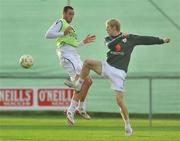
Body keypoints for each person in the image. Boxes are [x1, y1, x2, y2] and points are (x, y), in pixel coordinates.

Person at [66, 18, 170, 136]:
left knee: (120, 101)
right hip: (107, 67)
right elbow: (110, 46)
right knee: (87, 62)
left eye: (108, 27)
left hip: (119, 73)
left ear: (114, 27)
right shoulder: (108, 38)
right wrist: (121, 37)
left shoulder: (130, 38)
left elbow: (145, 39)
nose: (106, 29)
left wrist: (161, 40)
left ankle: (127, 125)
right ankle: (78, 85)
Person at [45, 6, 96, 125]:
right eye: (69, 13)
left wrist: (84, 42)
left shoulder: (71, 28)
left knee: (88, 81)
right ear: (63, 13)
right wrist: (62, 32)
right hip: (66, 55)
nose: (71, 16)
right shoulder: (61, 22)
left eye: (73, 14)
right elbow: (47, 34)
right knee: (79, 82)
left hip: (74, 55)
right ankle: (72, 110)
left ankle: (80, 108)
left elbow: (74, 46)